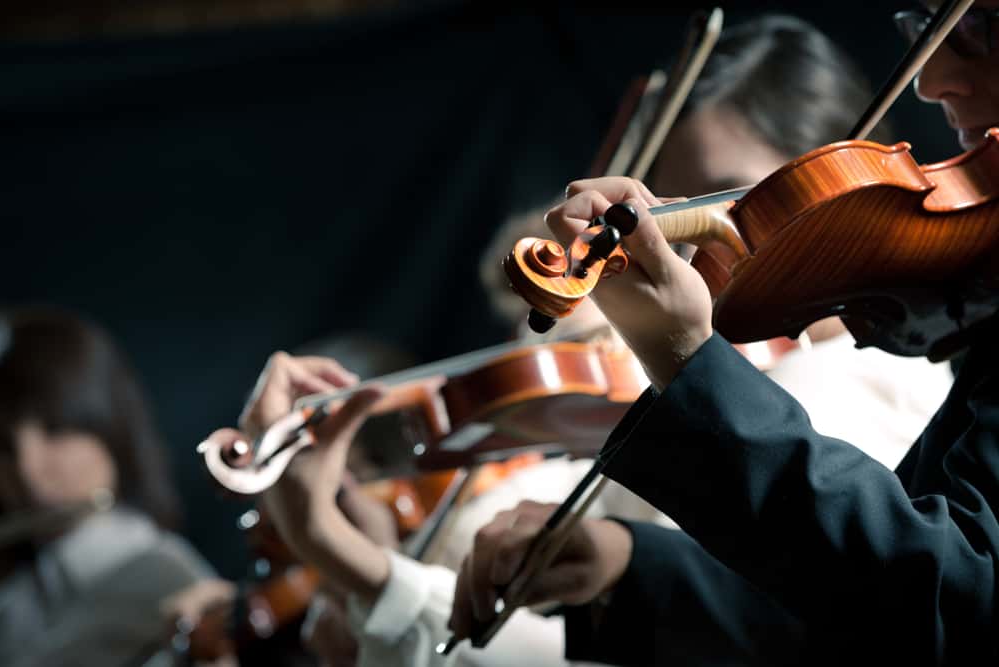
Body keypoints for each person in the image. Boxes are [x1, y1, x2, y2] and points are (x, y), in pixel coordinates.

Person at [198, 13, 956, 667]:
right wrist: (374, 558)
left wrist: (351, 560)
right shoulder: (714, 390)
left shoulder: (853, 387)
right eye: (673, 208)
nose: (680, 244)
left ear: (828, 182)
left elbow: (668, 640)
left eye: (727, 197)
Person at [448, 1, 999, 664]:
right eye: (927, 29)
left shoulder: (842, 382)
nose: (931, 81)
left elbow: (955, 609)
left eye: (980, 25)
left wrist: (688, 358)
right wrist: (631, 563)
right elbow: (866, 615)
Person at [0, 308, 214, 666]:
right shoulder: (18, 594)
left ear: (110, 427)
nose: (27, 468)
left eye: (55, 429)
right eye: (3, 446)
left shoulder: (164, 576)